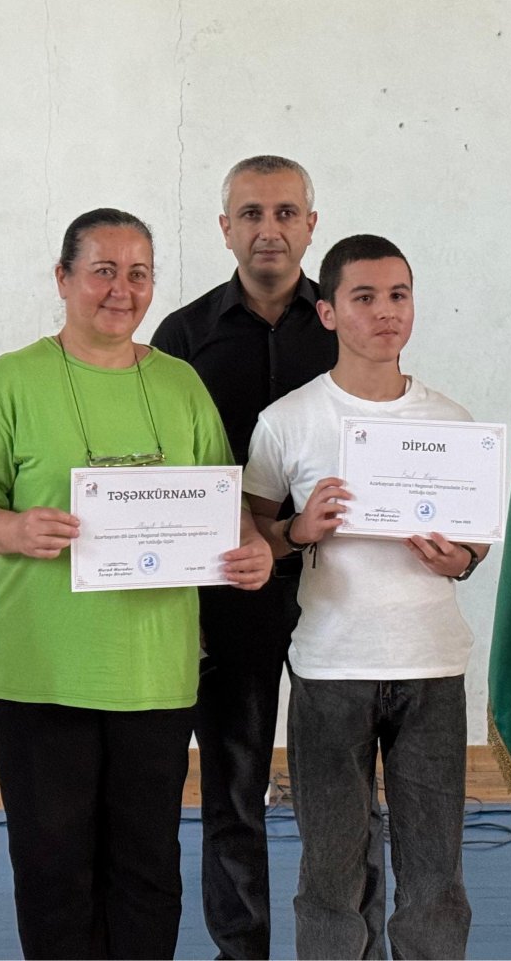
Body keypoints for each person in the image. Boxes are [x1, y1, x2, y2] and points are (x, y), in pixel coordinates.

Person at [0, 208, 274, 959]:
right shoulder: (11, 381)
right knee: (54, 870)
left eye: (138, 273)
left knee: (148, 870)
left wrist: (250, 550)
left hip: (154, 673)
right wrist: (16, 530)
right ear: (62, 279)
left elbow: (226, 512)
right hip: (42, 670)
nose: (120, 290)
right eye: (102, 270)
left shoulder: (182, 384)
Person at [243, 235, 487, 960]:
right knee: (330, 871)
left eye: (399, 295)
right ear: (327, 312)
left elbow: (473, 542)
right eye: (365, 298)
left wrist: (462, 558)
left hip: (432, 663)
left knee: (436, 871)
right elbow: (253, 530)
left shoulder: (453, 420)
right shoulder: (287, 419)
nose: (386, 313)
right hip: (328, 666)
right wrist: (296, 527)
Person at [151, 155, 367, 959]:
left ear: (312, 224)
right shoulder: (181, 335)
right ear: (225, 228)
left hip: (339, 586)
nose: (267, 229)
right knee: (233, 786)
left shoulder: (348, 318)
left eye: (285, 212)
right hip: (226, 592)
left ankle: (344, 939)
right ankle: (241, 949)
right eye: (250, 213)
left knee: (340, 786)